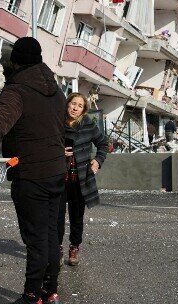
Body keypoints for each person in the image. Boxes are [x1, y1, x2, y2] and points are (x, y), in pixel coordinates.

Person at [0, 36, 66, 304]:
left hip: (31, 174)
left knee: (36, 239)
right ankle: (49, 289)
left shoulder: (18, 90)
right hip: (56, 170)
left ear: (15, 61)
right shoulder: (56, 89)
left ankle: (31, 295)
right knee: (51, 236)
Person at [58, 93, 109, 267]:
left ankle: (74, 247)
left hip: (80, 178)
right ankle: (57, 248)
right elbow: (46, 144)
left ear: (83, 109)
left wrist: (98, 161)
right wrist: (58, 152)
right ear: (67, 105)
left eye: (79, 106)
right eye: (73, 104)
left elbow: (103, 144)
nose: (75, 108)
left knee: (76, 216)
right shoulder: (57, 123)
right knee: (56, 216)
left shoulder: (88, 125)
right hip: (59, 177)